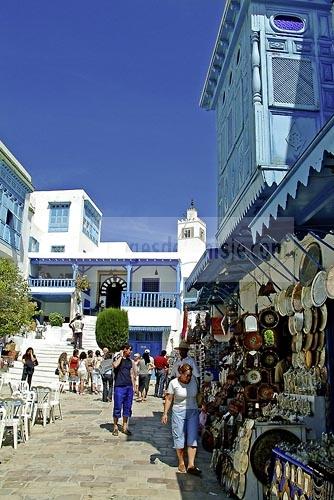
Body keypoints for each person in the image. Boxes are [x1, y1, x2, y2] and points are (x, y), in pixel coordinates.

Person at [161, 363, 201, 475]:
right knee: (179, 437)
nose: (188, 377)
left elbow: (198, 394)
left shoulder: (194, 381)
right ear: (181, 374)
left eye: (190, 375)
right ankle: (181, 461)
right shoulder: (173, 383)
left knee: (192, 437)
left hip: (192, 411)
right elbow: (169, 398)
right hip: (178, 412)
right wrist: (165, 413)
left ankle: (191, 464)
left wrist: (201, 405)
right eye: (186, 375)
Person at [112, 343, 136, 436]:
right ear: (124, 349)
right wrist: (121, 356)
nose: (131, 351)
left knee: (128, 407)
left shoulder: (130, 361)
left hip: (128, 387)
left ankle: (125, 426)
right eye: (129, 349)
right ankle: (115, 426)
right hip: (119, 386)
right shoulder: (117, 359)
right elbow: (114, 365)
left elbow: (131, 374)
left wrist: (134, 386)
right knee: (117, 406)